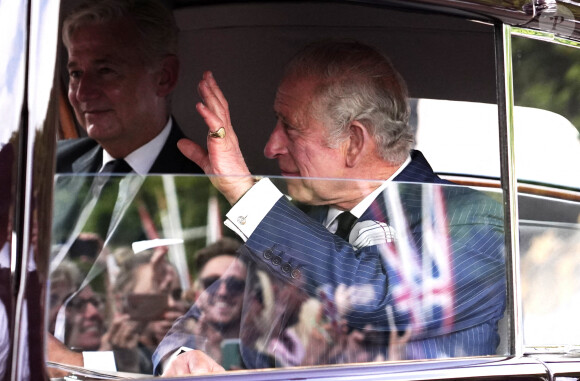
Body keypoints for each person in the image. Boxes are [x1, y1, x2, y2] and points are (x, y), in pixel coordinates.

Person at [163, 39, 506, 375]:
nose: (270, 147)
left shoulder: (473, 220)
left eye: (291, 128)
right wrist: (181, 357)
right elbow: (203, 318)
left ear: (354, 142)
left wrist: (243, 190)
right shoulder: (290, 222)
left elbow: (376, 306)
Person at [56, 0, 202, 175]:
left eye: (106, 70)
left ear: (164, 77)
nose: (83, 93)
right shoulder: (47, 167)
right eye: (76, 74)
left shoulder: (216, 186)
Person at [154, 238, 274, 375]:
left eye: (234, 284)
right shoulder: (173, 353)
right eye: (212, 283)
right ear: (198, 293)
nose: (223, 292)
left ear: (248, 294)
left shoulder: (267, 363)